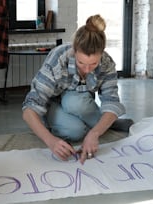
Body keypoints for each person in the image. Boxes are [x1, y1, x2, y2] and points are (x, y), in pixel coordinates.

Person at [22, 14, 133, 164]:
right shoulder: (58, 58)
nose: (87, 70)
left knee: (75, 103)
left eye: (93, 64)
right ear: (75, 51)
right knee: (75, 131)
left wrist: (94, 134)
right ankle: (101, 123)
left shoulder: (107, 63)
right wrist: (51, 141)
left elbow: (111, 101)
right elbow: (30, 109)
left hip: (78, 100)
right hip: (52, 102)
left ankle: (99, 124)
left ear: (101, 54)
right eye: (81, 63)